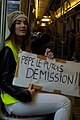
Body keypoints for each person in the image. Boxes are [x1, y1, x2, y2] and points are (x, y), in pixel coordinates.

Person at [0, 11, 71, 120]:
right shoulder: (7, 50)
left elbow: (30, 71)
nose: (23, 25)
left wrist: (45, 61)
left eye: (25, 23)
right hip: (14, 101)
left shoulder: (22, 48)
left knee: (65, 99)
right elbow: (3, 82)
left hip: (23, 95)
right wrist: (25, 95)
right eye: (18, 23)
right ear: (12, 26)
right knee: (65, 103)